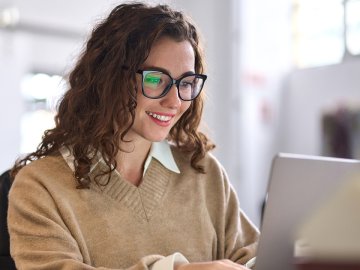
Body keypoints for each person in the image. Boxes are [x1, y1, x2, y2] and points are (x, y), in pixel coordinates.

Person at [8, 2, 259, 270]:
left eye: (186, 83)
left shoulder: (204, 173)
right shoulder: (40, 186)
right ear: (109, 79)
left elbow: (252, 256)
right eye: (155, 79)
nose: (174, 101)